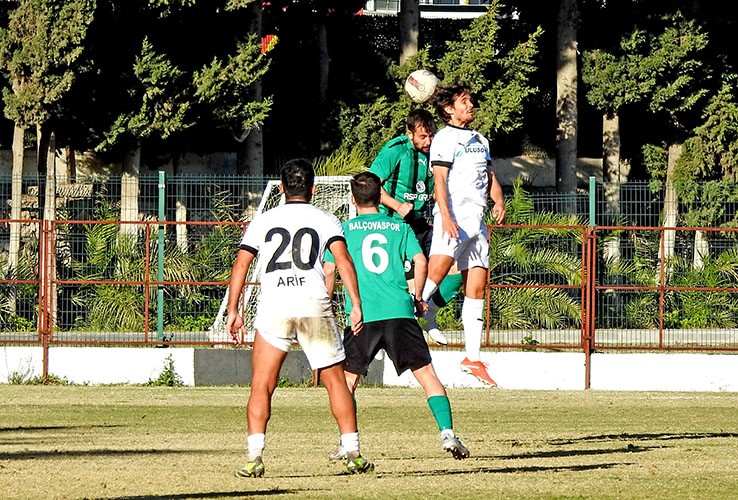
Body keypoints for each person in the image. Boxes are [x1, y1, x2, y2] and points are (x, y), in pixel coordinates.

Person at [226, 158, 374, 477]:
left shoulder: (264, 220)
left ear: (280, 188)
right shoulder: (326, 219)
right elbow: (344, 261)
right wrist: (356, 303)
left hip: (275, 306)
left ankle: (254, 457)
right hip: (313, 304)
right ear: (313, 188)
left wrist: (233, 309)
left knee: (261, 385)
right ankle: (353, 453)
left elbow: (241, 264)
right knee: (335, 383)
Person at [324, 172, 470, 461]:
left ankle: (348, 442)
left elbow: (330, 270)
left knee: (348, 381)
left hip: (362, 315)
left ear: (353, 200)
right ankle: (447, 433)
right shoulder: (399, 227)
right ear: (380, 198)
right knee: (427, 375)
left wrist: (327, 306)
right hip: (400, 312)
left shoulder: (344, 231)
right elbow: (420, 260)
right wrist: (417, 297)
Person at [419, 83, 506, 387]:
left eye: (470, 101)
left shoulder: (480, 139)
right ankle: (410, 312)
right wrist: (445, 215)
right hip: (453, 217)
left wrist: (498, 199)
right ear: (448, 109)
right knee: (439, 269)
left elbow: (489, 175)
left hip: (477, 220)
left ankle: (473, 357)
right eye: (464, 102)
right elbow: (440, 179)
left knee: (478, 283)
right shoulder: (444, 138)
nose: (471, 106)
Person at [368, 108, 459, 346]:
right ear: (409, 133)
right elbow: (369, 184)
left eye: (431, 135)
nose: (428, 141)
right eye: (422, 137)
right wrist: (396, 204)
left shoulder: (436, 151)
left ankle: (428, 314)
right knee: (411, 280)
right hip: (396, 226)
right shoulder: (395, 150)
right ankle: (397, 338)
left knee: (459, 265)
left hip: (421, 222)